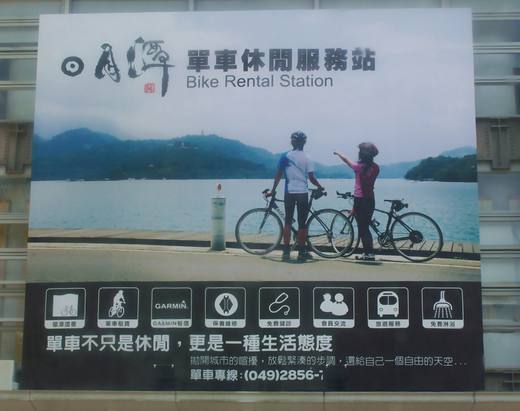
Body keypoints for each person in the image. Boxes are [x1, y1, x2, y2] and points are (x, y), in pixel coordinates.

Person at [267, 131, 324, 262]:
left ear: (292, 142)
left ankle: (286, 251)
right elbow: (311, 178)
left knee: (287, 221)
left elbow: (278, 175)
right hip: (302, 193)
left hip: (289, 192)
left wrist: (272, 190)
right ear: (304, 143)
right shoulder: (308, 157)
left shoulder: (285, 156)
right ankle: (302, 251)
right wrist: (320, 186)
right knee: (302, 223)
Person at [334, 142, 379, 261]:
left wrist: (338, 153)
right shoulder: (376, 167)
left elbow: (346, 159)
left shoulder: (358, 167)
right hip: (370, 200)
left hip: (360, 200)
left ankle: (369, 254)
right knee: (365, 226)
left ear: (362, 154)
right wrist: (354, 207)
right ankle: (368, 253)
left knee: (363, 229)